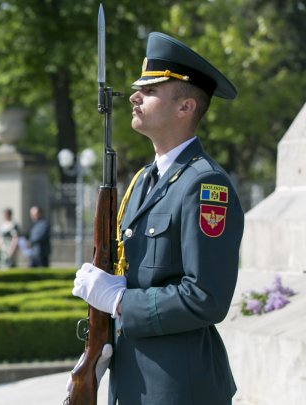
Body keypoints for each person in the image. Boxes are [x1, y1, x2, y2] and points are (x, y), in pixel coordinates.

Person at [70, 32, 244, 404]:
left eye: (150, 91)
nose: (134, 96)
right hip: (133, 382)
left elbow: (206, 297)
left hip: (178, 387)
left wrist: (120, 303)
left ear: (185, 108)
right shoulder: (143, 181)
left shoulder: (205, 185)